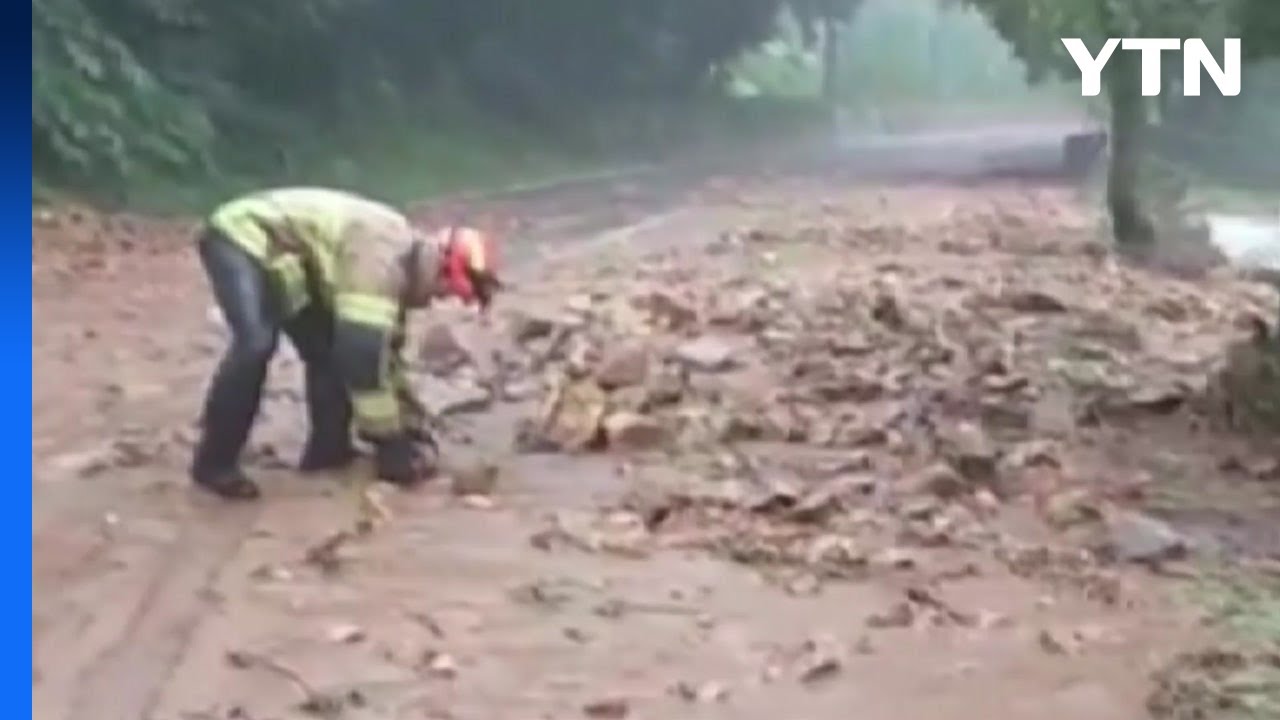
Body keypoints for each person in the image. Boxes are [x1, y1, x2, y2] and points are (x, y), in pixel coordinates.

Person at [191, 187, 501, 500]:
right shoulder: (381, 263)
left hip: (291, 256)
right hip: (240, 236)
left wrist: (411, 426)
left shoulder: (400, 266)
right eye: (447, 292)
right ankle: (214, 464)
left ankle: (328, 452)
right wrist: (389, 441)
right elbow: (361, 358)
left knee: (326, 351)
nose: (439, 300)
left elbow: (386, 358)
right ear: (442, 271)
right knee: (256, 343)